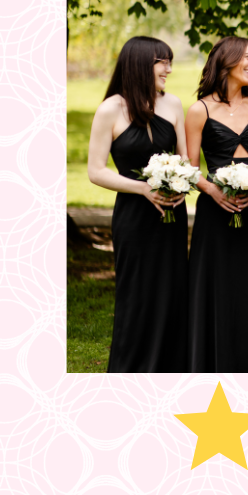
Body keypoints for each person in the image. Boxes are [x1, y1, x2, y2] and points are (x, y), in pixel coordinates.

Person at [84, 36, 188, 372]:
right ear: (141, 63)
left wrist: (182, 187)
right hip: (134, 217)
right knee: (137, 297)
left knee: (172, 295)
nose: (169, 70)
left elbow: (185, 160)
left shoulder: (172, 104)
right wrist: (142, 188)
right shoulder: (110, 109)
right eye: (163, 62)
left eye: (170, 62)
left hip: (171, 215)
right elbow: (95, 171)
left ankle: (170, 370)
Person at [184, 37, 248, 372]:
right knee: (217, 288)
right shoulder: (199, 110)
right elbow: (190, 169)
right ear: (227, 59)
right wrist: (214, 191)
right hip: (215, 215)